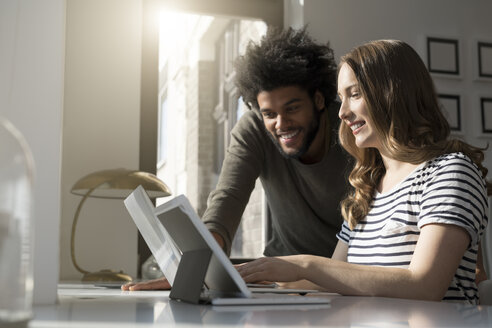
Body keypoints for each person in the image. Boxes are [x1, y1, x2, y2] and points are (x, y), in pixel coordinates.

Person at [236, 39, 489, 304]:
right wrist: (262, 280)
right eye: (341, 98)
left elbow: (425, 285)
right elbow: (337, 281)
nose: (343, 112)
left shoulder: (450, 172)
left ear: (392, 93)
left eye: (354, 94)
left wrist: (304, 265)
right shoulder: (367, 189)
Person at [122, 27, 350, 291]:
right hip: (279, 279)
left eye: (292, 108)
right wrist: (196, 267)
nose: (281, 123)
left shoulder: (352, 129)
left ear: (319, 99)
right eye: (269, 113)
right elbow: (228, 197)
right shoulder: (254, 128)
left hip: (342, 279)